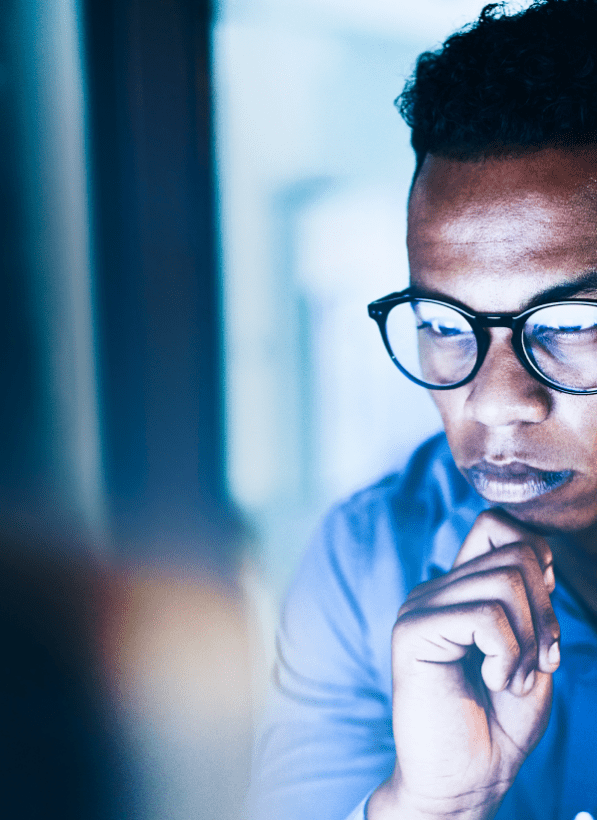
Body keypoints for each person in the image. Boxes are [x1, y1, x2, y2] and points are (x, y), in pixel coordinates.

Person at [250, 2, 597, 819]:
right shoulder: (370, 560)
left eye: (574, 326)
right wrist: (432, 804)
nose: (495, 398)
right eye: (443, 324)